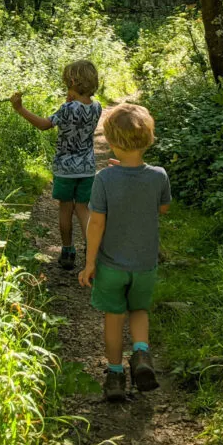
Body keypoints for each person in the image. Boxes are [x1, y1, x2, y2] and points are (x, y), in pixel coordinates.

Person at [78, 103, 170, 401]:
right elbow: (162, 208)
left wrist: (90, 262)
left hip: (111, 266)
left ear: (112, 143)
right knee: (139, 311)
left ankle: (116, 375)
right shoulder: (158, 176)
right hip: (144, 264)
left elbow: (96, 224)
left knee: (114, 317)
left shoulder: (105, 179)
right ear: (148, 139)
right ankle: (141, 354)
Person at [10, 60, 102, 270]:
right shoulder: (97, 106)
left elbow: (44, 125)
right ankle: (92, 251)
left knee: (65, 208)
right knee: (83, 208)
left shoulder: (67, 108)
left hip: (65, 168)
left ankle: (68, 251)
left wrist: (19, 109)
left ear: (71, 81)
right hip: (87, 167)